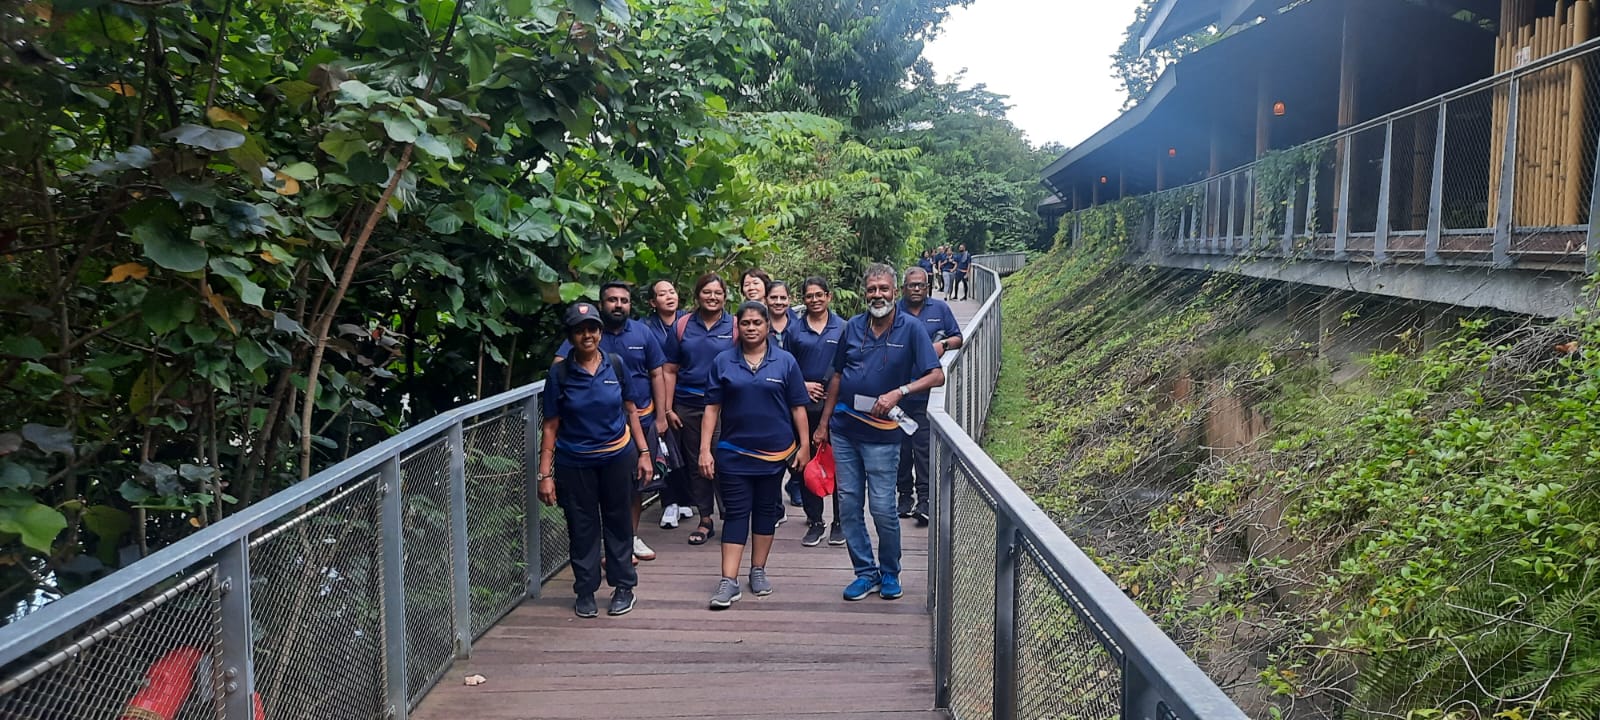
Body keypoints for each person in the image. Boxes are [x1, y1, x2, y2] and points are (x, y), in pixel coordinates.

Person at [815, 264, 945, 601]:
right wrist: (823, 423)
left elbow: (936, 375)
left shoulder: (911, 328)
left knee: (884, 508)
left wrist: (900, 391)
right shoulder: (852, 327)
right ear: (864, 292)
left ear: (894, 291)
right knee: (848, 503)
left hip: (884, 433)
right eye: (872, 289)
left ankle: (890, 571)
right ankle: (865, 572)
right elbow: (838, 376)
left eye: (884, 289)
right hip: (844, 429)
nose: (878, 295)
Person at [537, 302, 654, 618]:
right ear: (571, 336)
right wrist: (544, 474)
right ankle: (585, 590)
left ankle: (623, 587)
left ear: (600, 332)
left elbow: (631, 410)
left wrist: (644, 454)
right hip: (575, 461)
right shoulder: (559, 373)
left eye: (592, 328)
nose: (587, 335)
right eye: (579, 330)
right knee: (581, 526)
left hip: (617, 456)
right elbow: (550, 425)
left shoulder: (615, 364)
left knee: (618, 521)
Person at [699, 301, 811, 609]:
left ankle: (758, 570)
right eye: (746, 323)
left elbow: (798, 407)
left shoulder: (785, 361)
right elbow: (711, 409)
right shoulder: (723, 361)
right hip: (733, 452)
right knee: (735, 512)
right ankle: (728, 580)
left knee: (765, 511)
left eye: (757, 323)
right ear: (739, 326)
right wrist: (704, 449)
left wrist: (805, 446)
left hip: (775, 455)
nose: (751, 328)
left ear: (767, 327)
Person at [555, 282, 670, 562]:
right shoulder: (589, 331)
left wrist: (662, 415)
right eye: (612, 300)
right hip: (597, 428)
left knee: (636, 485)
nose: (618, 305)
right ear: (602, 303)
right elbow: (559, 363)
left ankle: (629, 538)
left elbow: (658, 373)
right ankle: (607, 545)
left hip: (639, 419)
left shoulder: (643, 332)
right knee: (599, 490)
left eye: (624, 300)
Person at [663, 273, 735, 545]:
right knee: (697, 463)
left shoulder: (735, 326)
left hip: (726, 406)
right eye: (707, 292)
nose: (712, 297)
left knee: (722, 459)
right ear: (697, 296)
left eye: (718, 292)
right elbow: (669, 369)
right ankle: (705, 519)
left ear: (725, 296)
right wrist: (668, 409)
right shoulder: (682, 325)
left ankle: (731, 515)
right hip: (689, 405)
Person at [895, 267, 964, 526]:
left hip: (927, 392)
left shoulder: (940, 309)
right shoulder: (894, 311)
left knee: (923, 448)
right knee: (901, 448)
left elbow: (958, 337)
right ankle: (904, 494)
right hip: (898, 392)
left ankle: (924, 499)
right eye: (911, 285)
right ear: (903, 288)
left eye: (920, 285)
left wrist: (942, 345)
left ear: (928, 287)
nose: (916, 289)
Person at [787, 276, 848, 547]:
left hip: (836, 407)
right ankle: (815, 520)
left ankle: (840, 521)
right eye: (809, 295)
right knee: (807, 462)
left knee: (839, 464)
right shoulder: (794, 330)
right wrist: (802, 385)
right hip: (804, 407)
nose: (814, 300)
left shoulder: (844, 328)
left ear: (828, 296)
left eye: (819, 294)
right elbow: (785, 366)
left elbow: (849, 364)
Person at [642, 279, 696, 530]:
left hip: (686, 395)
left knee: (685, 450)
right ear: (653, 302)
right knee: (665, 448)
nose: (669, 297)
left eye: (672, 292)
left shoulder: (689, 321)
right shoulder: (646, 327)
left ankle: (686, 499)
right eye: (662, 294)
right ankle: (669, 502)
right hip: (657, 397)